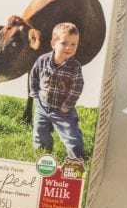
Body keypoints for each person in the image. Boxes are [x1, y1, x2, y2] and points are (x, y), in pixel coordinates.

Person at [29, 22, 85, 160]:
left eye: (73, 44)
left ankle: (76, 161)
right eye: (64, 43)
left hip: (63, 110)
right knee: (40, 133)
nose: (69, 47)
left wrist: (67, 105)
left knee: (71, 137)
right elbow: (33, 77)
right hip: (42, 107)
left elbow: (77, 87)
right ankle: (42, 157)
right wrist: (35, 96)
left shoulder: (74, 67)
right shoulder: (42, 60)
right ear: (53, 43)